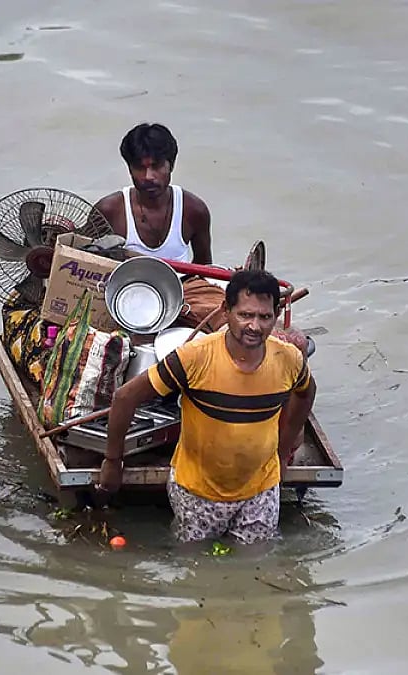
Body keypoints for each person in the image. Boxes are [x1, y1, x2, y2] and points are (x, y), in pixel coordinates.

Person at [97, 270, 317, 544]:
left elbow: (306, 394)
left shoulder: (289, 359)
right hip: (197, 493)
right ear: (226, 311)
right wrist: (113, 461)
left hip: (260, 490)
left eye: (264, 317)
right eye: (245, 315)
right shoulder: (194, 357)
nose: (254, 326)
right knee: (194, 566)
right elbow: (125, 398)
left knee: (256, 569)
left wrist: (283, 455)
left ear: (275, 316)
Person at [92, 122, 213, 265]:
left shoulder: (194, 210)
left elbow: (206, 269)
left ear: (171, 165)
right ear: (130, 169)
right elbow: (80, 260)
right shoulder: (108, 211)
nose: (148, 176)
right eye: (139, 167)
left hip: (180, 287)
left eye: (156, 166)